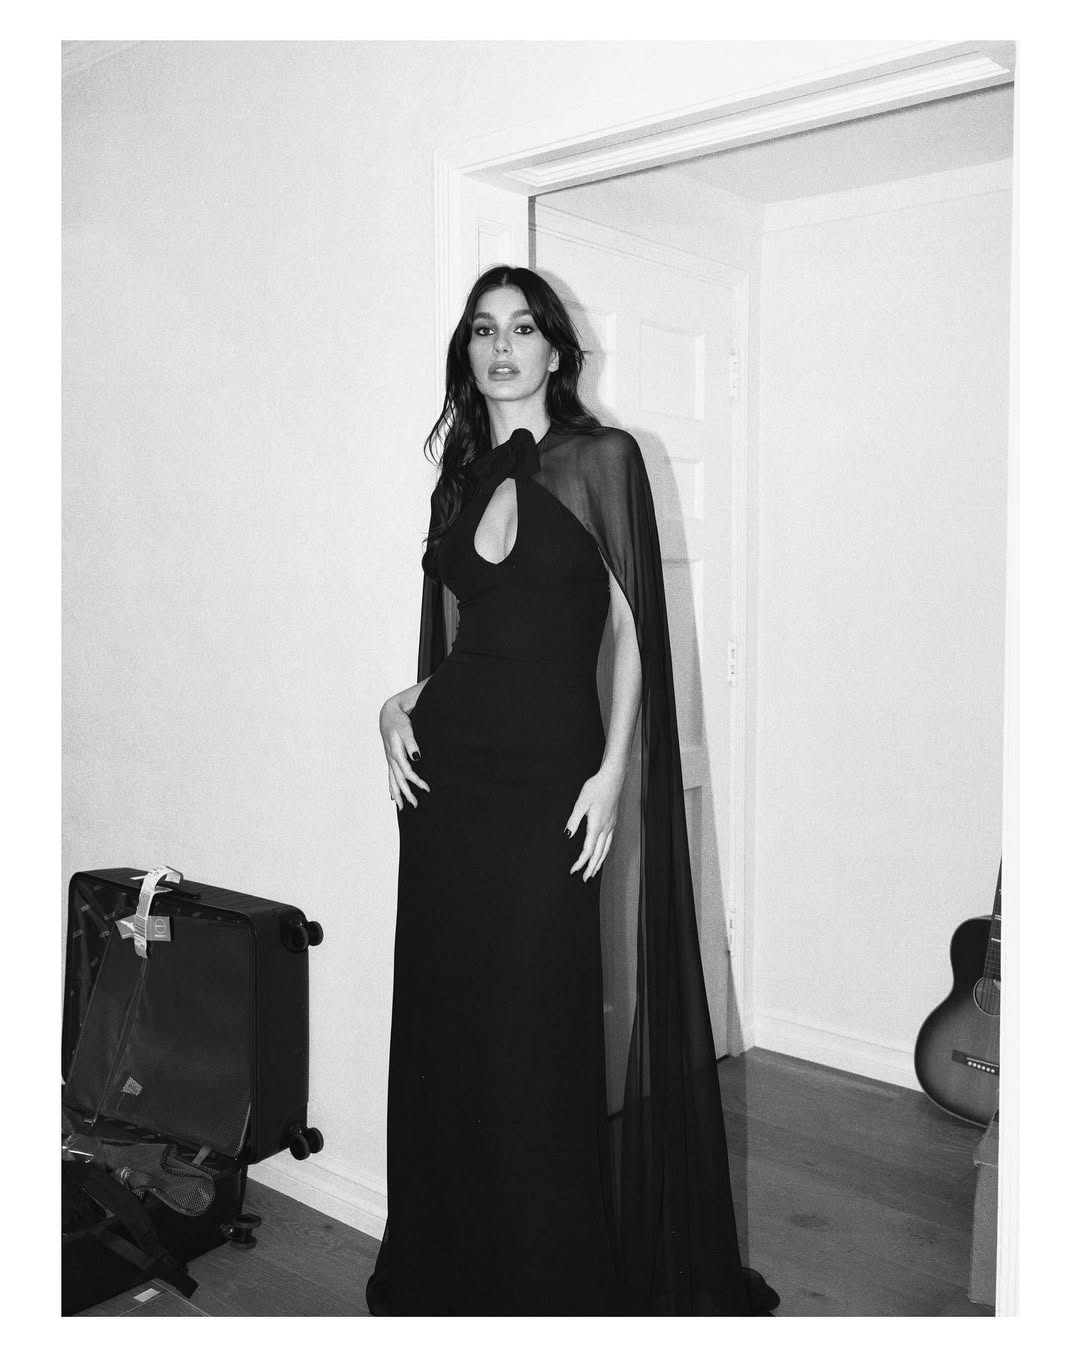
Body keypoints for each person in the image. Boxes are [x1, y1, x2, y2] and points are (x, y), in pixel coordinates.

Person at [367, 265, 779, 1316]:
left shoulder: (604, 459)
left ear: (556, 350)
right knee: (452, 1018)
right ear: (467, 352)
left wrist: (612, 769)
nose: (501, 347)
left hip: (552, 776)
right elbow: (470, 641)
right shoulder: (459, 479)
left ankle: (547, 1280)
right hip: (447, 783)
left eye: (522, 328)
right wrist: (397, 705)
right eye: (482, 330)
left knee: (535, 1023)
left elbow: (633, 630)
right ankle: (456, 1264)